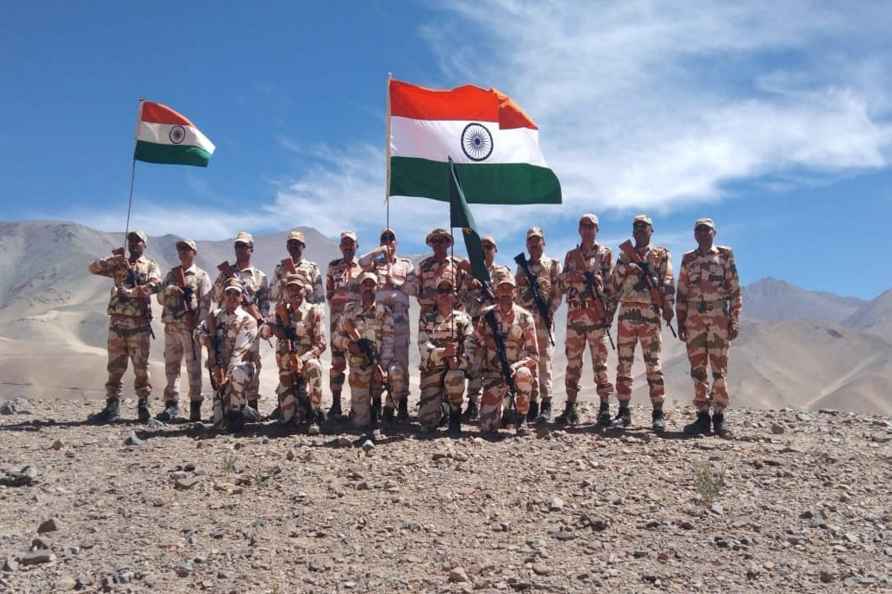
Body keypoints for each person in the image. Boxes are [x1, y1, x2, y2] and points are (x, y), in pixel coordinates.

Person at [607, 215, 675, 432]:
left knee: (653, 365)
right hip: (626, 314)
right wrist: (626, 267)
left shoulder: (661, 254)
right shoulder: (625, 255)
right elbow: (614, 284)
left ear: (651, 230)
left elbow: (668, 281)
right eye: (636, 228)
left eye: (644, 227)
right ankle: (623, 412)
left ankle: (657, 413)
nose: (639, 231)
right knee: (624, 365)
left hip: (650, 316)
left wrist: (667, 304)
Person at [87, 230, 161, 423]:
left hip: (139, 325)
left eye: (138, 241)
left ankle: (144, 408)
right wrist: (112, 259)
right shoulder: (119, 263)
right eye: (131, 240)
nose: (134, 243)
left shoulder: (151, 265)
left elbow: (155, 285)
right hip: (117, 324)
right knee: (114, 368)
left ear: (144, 244)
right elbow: (93, 268)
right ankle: (112, 408)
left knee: (141, 369)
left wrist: (133, 292)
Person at [677, 218, 742, 437]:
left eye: (707, 230)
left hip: (718, 318)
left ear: (714, 232)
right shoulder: (688, 259)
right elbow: (682, 292)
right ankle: (703, 417)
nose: (703, 233)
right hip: (694, 318)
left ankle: (719, 417)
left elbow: (734, 291)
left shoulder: (724, 257)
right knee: (697, 368)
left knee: (719, 368)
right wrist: (680, 319)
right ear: (695, 234)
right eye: (699, 230)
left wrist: (734, 319)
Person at [333, 272, 405, 438]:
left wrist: (382, 368)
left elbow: (388, 342)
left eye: (372, 285)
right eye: (365, 284)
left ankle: (387, 411)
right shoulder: (350, 311)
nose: (368, 288)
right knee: (360, 423)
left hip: (379, 362)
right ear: (360, 288)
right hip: (359, 366)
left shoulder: (384, 312)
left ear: (377, 288)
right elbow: (336, 337)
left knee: (397, 373)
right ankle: (365, 409)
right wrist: (349, 344)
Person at [558, 214, 614, 426]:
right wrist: (576, 276)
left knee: (600, 363)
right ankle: (570, 408)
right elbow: (561, 282)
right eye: (584, 226)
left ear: (597, 229)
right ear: (579, 229)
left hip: (596, 316)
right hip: (575, 317)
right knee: (573, 363)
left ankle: (605, 408)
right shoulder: (571, 256)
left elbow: (611, 286)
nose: (588, 229)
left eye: (591, 226)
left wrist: (607, 310)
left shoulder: (605, 254)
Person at [211, 231, 269, 415]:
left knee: (252, 365)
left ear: (251, 249)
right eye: (237, 246)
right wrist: (226, 280)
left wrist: (262, 321)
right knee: (226, 363)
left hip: (251, 328)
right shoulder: (225, 274)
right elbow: (216, 296)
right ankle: (226, 405)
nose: (240, 249)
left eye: (244, 246)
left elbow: (265, 304)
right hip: (228, 325)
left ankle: (252, 407)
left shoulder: (260, 276)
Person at [358, 228, 414, 419]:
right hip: (379, 321)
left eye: (391, 239)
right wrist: (378, 251)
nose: (388, 242)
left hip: (400, 320)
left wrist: (396, 282)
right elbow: (361, 262)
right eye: (384, 239)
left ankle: (400, 403)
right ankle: (376, 403)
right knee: (378, 358)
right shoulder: (375, 264)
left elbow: (414, 287)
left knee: (401, 362)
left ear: (397, 243)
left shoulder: (405, 265)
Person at [262, 272, 327, 435]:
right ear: (285, 292)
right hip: (286, 368)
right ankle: (294, 410)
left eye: (298, 289)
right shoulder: (280, 311)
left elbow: (321, 344)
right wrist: (275, 326)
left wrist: (301, 359)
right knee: (288, 419)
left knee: (314, 367)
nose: (294, 293)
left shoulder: (313, 312)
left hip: (305, 362)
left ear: (304, 291)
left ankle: (314, 415)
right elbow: (264, 333)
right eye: (290, 289)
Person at [475, 270, 538, 435]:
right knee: (487, 427)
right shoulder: (486, 314)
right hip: (493, 373)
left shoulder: (525, 318)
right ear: (496, 292)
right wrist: (487, 343)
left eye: (509, 289)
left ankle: (522, 419)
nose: (505, 293)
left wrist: (515, 366)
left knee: (525, 374)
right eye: (501, 289)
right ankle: (501, 413)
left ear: (515, 292)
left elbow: (534, 356)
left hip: (515, 371)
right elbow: (477, 339)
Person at [156, 239, 212, 422]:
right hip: (172, 326)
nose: (182, 253)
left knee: (193, 367)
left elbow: (206, 304)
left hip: (190, 328)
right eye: (180, 250)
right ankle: (171, 405)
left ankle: (195, 405)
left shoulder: (201, 276)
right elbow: (159, 298)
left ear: (194, 252)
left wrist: (199, 326)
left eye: (186, 250)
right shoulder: (172, 274)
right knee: (171, 368)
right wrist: (171, 290)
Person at [199, 278, 259, 432]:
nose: (232, 297)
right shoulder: (215, 316)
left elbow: (238, 353)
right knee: (218, 422)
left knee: (237, 374)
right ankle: (239, 409)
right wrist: (207, 341)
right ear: (223, 296)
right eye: (228, 293)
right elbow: (198, 331)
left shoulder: (248, 320)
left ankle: (237, 412)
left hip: (242, 369)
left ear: (241, 298)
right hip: (219, 366)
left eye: (236, 293)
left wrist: (225, 377)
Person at [514, 226, 562, 423]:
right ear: (527, 244)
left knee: (545, 363)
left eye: (538, 240)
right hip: (527, 322)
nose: (534, 244)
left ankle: (547, 404)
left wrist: (549, 312)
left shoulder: (552, 265)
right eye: (531, 241)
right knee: (529, 361)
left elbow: (558, 293)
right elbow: (517, 292)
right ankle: (532, 404)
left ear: (544, 242)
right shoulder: (521, 266)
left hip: (543, 321)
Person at [461, 235, 510, 421]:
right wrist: (468, 284)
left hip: (496, 327)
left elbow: (509, 296)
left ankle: (503, 406)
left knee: (498, 365)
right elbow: (462, 300)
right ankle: (472, 404)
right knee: (474, 365)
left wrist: (490, 290)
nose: (486, 250)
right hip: (476, 325)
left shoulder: (502, 272)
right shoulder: (470, 273)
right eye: (482, 247)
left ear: (495, 250)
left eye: (489, 247)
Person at [417, 277, 475, 435]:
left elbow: (470, 348)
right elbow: (423, 346)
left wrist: (458, 361)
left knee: (454, 377)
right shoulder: (426, 319)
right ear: (435, 296)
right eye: (440, 291)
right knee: (427, 424)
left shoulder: (464, 319)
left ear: (454, 295)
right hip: (432, 370)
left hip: (454, 368)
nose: (444, 294)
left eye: (448, 291)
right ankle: (441, 409)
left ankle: (455, 416)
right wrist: (444, 353)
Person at [325, 231, 364, 418]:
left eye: (351, 243)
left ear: (357, 246)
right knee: (337, 363)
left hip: (356, 324)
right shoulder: (333, 267)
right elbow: (329, 294)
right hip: (336, 324)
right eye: (344, 244)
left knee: (357, 361)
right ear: (340, 247)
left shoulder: (364, 268)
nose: (348, 246)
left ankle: (357, 406)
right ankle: (335, 405)